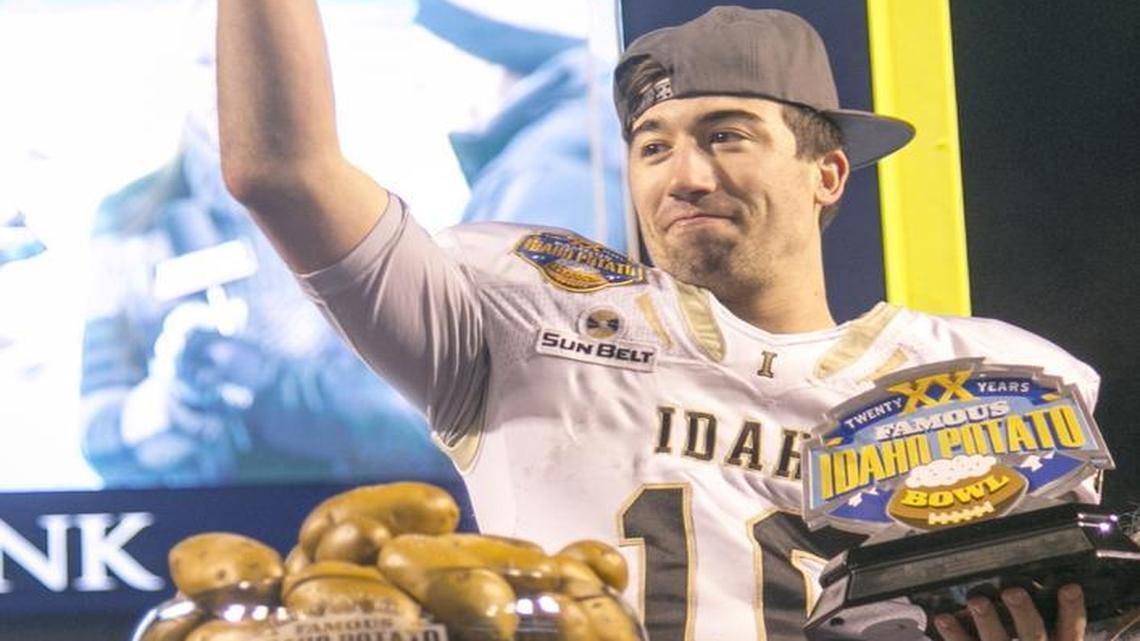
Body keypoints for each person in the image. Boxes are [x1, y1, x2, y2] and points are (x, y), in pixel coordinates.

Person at [216, 4, 1100, 639]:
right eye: (653, 145)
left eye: (727, 135)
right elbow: (282, 172)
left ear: (827, 174)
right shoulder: (525, 311)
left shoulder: (984, 376)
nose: (683, 176)